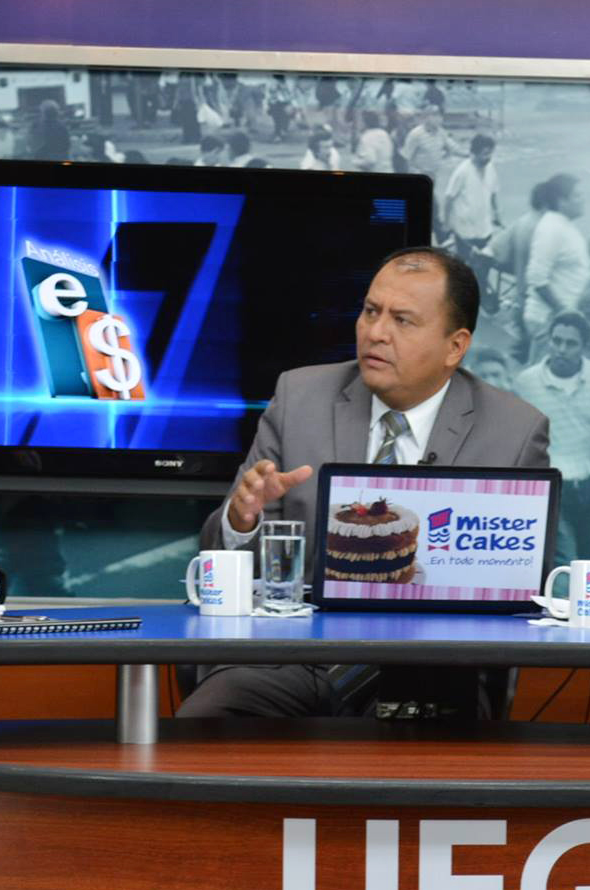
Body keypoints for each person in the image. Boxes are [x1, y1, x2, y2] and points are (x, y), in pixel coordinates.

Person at [180, 247, 549, 719]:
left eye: (402, 320)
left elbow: (522, 588)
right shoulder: (300, 398)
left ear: (455, 347)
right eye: (371, 311)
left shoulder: (514, 432)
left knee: (430, 732)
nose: (376, 332)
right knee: (208, 720)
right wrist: (241, 519)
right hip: (294, 656)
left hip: (432, 663)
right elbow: (219, 557)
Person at [514, 312, 590, 574]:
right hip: (553, 486)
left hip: (587, 483)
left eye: (571, 343)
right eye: (556, 341)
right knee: (566, 561)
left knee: (587, 559)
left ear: (584, 346)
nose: (561, 349)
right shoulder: (526, 383)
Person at [523, 173, 589, 363]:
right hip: (549, 319)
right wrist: (564, 311)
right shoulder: (551, 228)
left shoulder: (563, 226)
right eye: (577, 195)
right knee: (542, 374)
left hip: (564, 318)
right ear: (562, 201)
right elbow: (536, 278)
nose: (583, 199)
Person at [443, 134, 501, 250]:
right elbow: (449, 198)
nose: (488, 157)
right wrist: (447, 223)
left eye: (490, 153)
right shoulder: (462, 171)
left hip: (484, 228)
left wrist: (496, 213)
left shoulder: (490, 167)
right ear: (475, 153)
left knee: (483, 258)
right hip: (465, 230)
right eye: (485, 154)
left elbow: (493, 193)